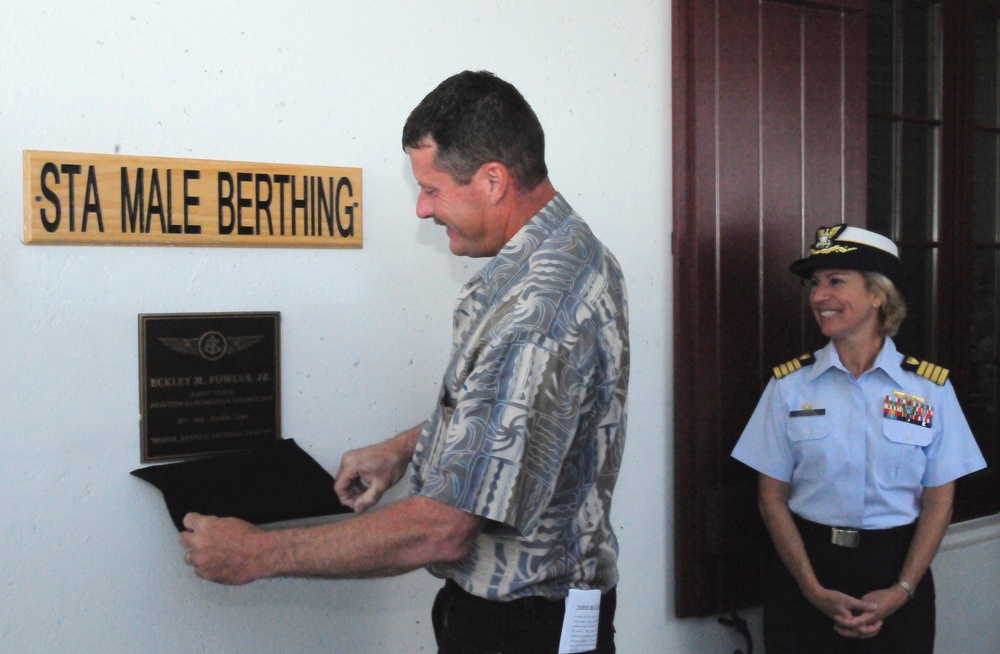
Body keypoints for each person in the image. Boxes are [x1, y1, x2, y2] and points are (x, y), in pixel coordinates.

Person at [179, 70, 629, 654]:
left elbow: (443, 529)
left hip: (524, 629)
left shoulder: (539, 311)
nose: (421, 209)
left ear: (494, 180)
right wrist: (405, 447)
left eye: (432, 188)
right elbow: (522, 414)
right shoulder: (569, 248)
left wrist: (263, 553)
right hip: (523, 618)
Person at [731, 224, 986, 653]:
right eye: (814, 283)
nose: (818, 296)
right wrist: (811, 589)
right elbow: (770, 497)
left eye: (836, 281)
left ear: (878, 294)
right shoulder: (790, 386)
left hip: (896, 568)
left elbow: (940, 500)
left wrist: (901, 591)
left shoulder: (928, 389)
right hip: (807, 568)